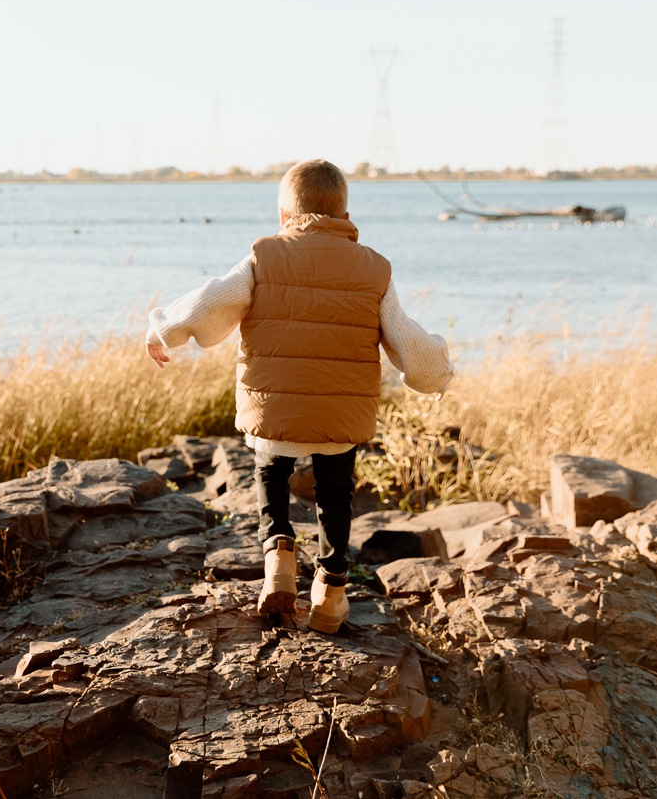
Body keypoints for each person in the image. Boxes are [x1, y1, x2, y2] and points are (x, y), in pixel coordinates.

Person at [145, 160, 453, 633]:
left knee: (271, 474)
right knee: (335, 494)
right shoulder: (374, 267)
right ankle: (330, 596)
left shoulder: (264, 255)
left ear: (285, 214)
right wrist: (436, 373)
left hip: (275, 407)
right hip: (340, 410)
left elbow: (213, 300)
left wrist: (165, 329)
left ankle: (279, 565)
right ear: (344, 213)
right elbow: (404, 336)